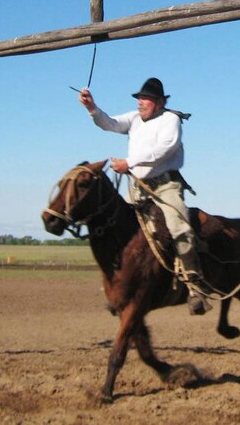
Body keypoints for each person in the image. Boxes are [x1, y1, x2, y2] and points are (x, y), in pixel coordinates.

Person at [79, 77, 211, 315]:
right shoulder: (134, 119)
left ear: (159, 102)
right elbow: (108, 123)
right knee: (121, 231)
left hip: (165, 187)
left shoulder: (171, 119)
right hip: (137, 188)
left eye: (145, 99)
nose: (140, 103)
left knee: (179, 227)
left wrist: (128, 162)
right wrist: (91, 107)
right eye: (139, 98)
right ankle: (123, 285)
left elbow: (165, 147)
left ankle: (194, 286)